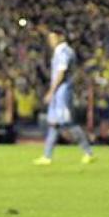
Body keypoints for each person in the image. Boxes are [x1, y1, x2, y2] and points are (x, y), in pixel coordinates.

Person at [33, 28, 96, 165]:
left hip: (62, 93)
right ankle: (47, 156)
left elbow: (61, 73)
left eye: (53, 38)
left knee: (68, 123)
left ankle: (88, 152)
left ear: (61, 37)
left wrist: (51, 91)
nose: (51, 41)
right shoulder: (59, 52)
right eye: (50, 39)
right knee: (54, 124)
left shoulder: (64, 52)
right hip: (59, 93)